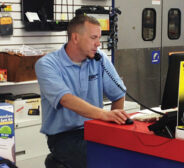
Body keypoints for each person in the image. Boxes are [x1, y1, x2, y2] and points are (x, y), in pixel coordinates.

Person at [35, 15, 129, 168]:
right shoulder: (47, 65)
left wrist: (113, 128)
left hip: (96, 128)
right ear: (75, 38)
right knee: (106, 159)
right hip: (64, 136)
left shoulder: (100, 59)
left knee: (131, 152)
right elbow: (65, 99)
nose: (98, 43)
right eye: (93, 38)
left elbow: (118, 94)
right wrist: (104, 114)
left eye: (99, 38)